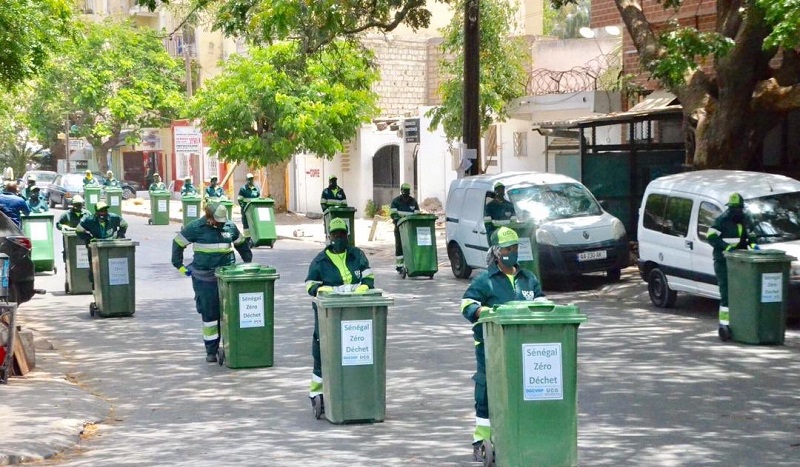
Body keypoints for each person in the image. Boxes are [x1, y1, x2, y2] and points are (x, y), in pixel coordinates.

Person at [460, 227, 545, 460]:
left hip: (524, 347)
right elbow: (466, 304)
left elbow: (543, 304)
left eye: (515, 248)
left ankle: (521, 434)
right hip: (491, 348)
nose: (512, 252)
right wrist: (483, 312)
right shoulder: (485, 280)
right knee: (487, 390)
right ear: (497, 252)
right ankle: (482, 439)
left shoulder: (528, 279)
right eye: (508, 249)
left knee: (521, 391)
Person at [304, 217, 375, 415]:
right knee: (322, 351)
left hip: (356, 309)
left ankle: (356, 390)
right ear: (329, 236)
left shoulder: (357, 255)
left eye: (342, 234)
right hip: (329, 312)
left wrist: (364, 286)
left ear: (347, 235)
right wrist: (322, 289)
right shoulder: (320, 260)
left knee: (353, 353)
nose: (339, 238)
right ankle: (316, 393)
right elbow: (309, 285)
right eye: (335, 234)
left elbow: (369, 277)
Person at [172, 204, 252, 362]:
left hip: (227, 277)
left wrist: (248, 264)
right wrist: (180, 267)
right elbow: (178, 243)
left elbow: (242, 245)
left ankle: (233, 346)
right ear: (209, 217)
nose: (221, 224)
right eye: (217, 221)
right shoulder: (196, 227)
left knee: (232, 312)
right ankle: (211, 350)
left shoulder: (229, 226)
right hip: (204, 278)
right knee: (210, 314)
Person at [707, 192, 758, 339]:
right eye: (732, 208)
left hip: (740, 260)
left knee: (742, 292)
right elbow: (710, 236)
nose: (735, 211)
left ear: (741, 208)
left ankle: (741, 322)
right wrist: (725, 247)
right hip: (723, 261)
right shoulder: (721, 220)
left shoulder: (745, 218)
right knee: (726, 294)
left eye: (737, 208)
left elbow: (751, 233)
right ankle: (725, 325)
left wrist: (753, 244)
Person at [76, 201, 128, 288]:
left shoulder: (114, 218)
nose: (103, 213)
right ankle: (96, 292)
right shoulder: (89, 220)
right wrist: (89, 238)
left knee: (112, 270)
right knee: (95, 271)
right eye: (101, 210)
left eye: (105, 210)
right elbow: (78, 230)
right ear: (96, 212)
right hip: (95, 248)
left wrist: (119, 235)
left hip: (111, 246)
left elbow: (124, 224)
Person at [389, 183, 420, 273]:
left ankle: (411, 264)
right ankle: (399, 266)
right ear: (401, 191)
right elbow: (393, 214)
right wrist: (400, 220)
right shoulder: (396, 201)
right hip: (400, 228)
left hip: (411, 228)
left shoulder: (413, 201)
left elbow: (417, 214)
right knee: (399, 246)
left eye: (407, 191)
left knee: (411, 246)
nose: (406, 193)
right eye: (404, 191)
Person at [56, 195, 89, 262]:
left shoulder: (87, 214)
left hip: (84, 240)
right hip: (70, 240)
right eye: (75, 205)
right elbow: (58, 224)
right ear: (72, 204)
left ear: (82, 204)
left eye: (79, 205)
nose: (77, 207)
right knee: (70, 257)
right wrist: (63, 226)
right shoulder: (66, 214)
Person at [237, 173, 260, 238]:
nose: (250, 181)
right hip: (246, 209)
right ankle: (247, 238)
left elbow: (258, 197)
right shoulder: (243, 189)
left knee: (255, 222)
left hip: (254, 209)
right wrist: (243, 207)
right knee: (246, 223)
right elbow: (239, 199)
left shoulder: (256, 188)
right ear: (246, 180)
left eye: (251, 179)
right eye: (249, 179)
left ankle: (255, 236)